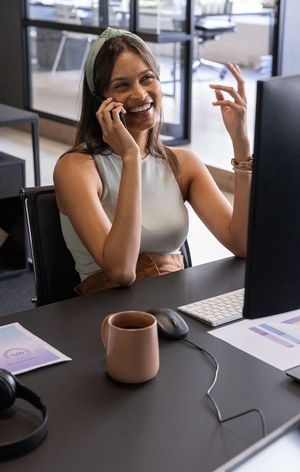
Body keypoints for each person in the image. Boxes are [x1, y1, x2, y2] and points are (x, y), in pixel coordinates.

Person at [53, 27, 252, 295]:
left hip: (174, 301)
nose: (140, 94)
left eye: (147, 78)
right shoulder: (76, 169)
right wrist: (131, 158)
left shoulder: (182, 163)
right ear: (100, 101)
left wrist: (241, 142)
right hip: (108, 312)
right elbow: (121, 271)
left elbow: (242, 243)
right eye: (121, 85)